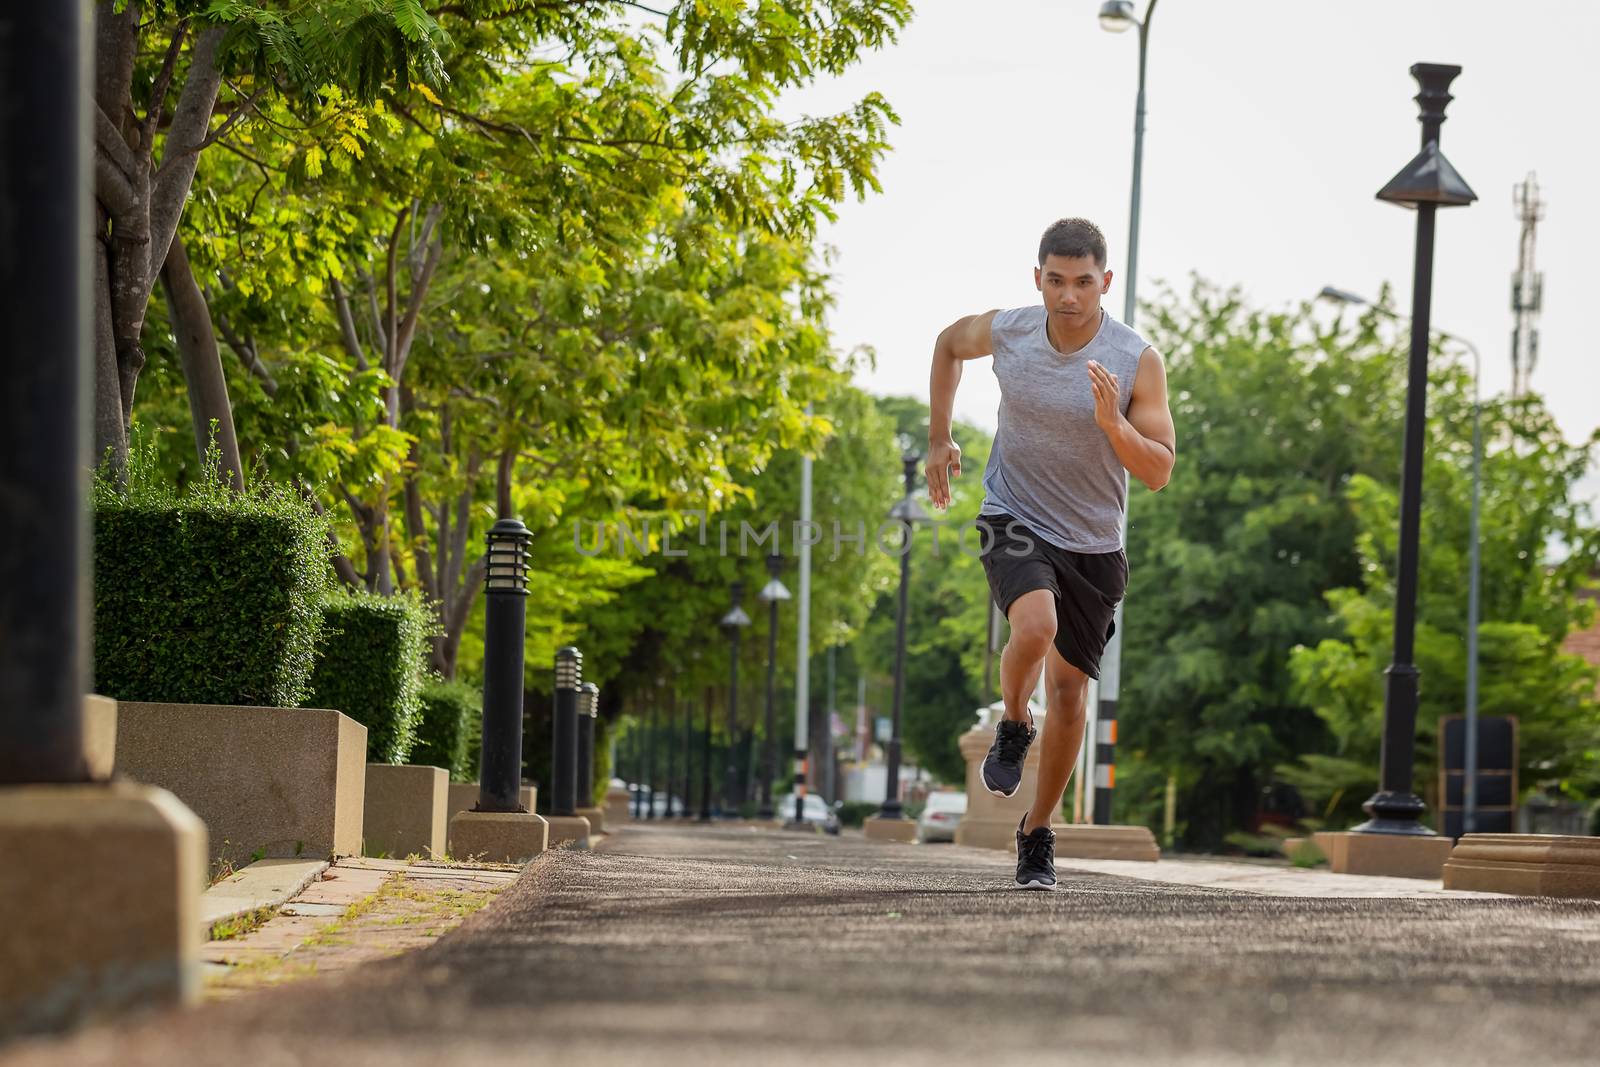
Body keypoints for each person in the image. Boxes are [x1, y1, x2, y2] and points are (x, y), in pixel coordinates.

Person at [925, 218, 1176, 889]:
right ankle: (1013, 722)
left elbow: (1157, 470)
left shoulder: (1134, 358)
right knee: (1034, 626)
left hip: (1093, 540)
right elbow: (949, 345)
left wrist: (1113, 424)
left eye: (1084, 282)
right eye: (1056, 280)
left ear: (1105, 282)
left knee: (1069, 694)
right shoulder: (1010, 329)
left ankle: (1036, 833)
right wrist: (939, 436)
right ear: (1038, 278)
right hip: (1014, 512)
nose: (1069, 295)